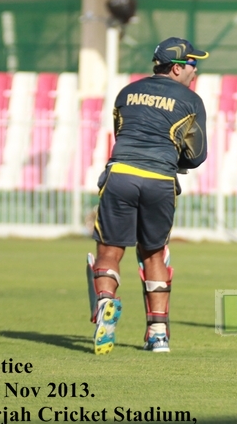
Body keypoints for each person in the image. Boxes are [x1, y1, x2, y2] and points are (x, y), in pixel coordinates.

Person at [88, 37, 209, 355]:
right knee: (154, 254)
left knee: (109, 251)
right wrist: (172, 159)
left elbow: (120, 133)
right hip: (159, 179)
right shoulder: (191, 100)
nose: (195, 72)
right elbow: (197, 156)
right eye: (194, 65)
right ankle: (158, 335)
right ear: (178, 67)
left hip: (121, 174)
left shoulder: (127, 92)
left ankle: (105, 305)